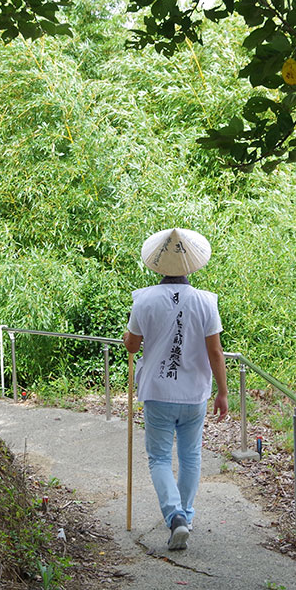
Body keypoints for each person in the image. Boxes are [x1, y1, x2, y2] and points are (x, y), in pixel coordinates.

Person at [122, 228, 228, 551]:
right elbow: (215, 352)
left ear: (158, 265)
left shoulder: (144, 300)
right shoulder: (206, 302)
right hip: (194, 393)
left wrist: (135, 330)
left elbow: (131, 344)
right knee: (190, 455)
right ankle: (187, 516)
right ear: (190, 266)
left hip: (157, 392)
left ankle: (175, 517)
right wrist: (223, 392)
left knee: (158, 458)